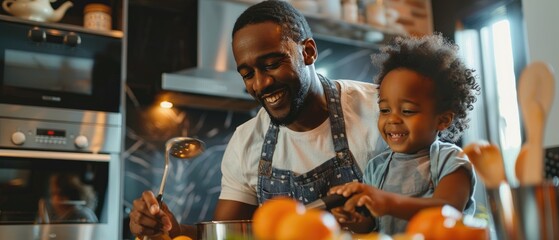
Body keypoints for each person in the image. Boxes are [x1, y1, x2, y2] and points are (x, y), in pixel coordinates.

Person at [129, 0, 385, 238]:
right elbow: (231, 236)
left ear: (308, 52)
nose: (261, 84)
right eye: (247, 73)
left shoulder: (380, 110)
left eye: (272, 64)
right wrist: (173, 230)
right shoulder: (246, 142)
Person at [328, 34, 481, 235]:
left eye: (407, 111)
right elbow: (373, 223)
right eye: (384, 110)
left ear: (443, 120)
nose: (392, 120)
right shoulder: (376, 168)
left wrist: (387, 201)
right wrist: (355, 220)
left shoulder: (451, 161)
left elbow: (448, 211)